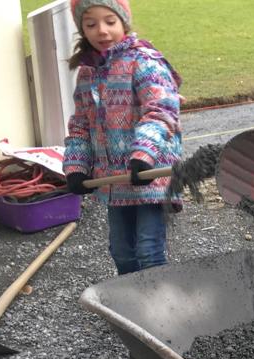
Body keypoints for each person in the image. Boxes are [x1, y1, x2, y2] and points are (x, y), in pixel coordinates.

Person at [63, 0, 183, 275]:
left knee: (149, 248)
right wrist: (76, 167)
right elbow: (81, 124)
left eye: (109, 21)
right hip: (114, 180)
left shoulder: (144, 60)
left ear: (124, 22)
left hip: (150, 172)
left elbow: (161, 110)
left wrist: (143, 154)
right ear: (82, 28)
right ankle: (132, 307)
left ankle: (161, 310)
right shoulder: (87, 73)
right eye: (91, 23)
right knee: (121, 251)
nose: (101, 30)